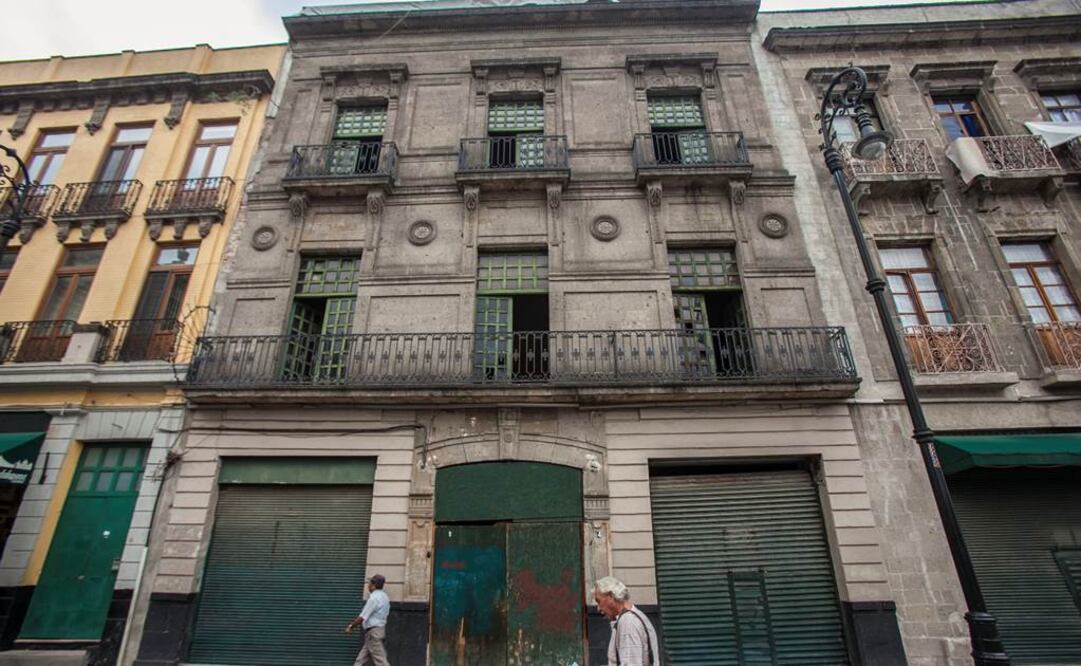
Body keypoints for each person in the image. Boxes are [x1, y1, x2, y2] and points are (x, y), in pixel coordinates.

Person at [593, 576, 660, 666]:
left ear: (611, 596)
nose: (598, 608)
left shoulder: (628, 622)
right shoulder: (634, 616)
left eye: (599, 601)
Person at [345, 573, 391, 666]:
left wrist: (351, 626)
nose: (368, 585)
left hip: (373, 633)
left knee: (381, 661)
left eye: (369, 583)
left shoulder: (374, 598)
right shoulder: (385, 597)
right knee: (360, 660)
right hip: (377, 631)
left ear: (373, 585)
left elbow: (362, 617)